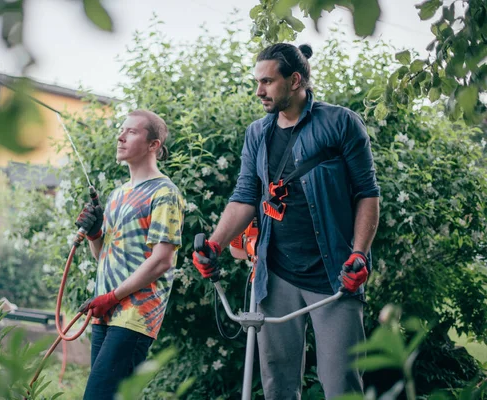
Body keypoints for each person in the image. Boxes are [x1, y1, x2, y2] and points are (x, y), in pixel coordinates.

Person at [192, 43, 380, 399]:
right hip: (274, 275)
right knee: (277, 384)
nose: (259, 91)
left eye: (267, 81)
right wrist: (215, 243)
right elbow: (245, 196)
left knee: (341, 384)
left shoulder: (340, 123)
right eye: (256, 82)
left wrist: (359, 254)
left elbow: (367, 195)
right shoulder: (257, 134)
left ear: (295, 81)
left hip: (334, 275)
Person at [76, 109, 185, 400]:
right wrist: (94, 233)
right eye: (121, 130)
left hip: (136, 315)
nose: (120, 137)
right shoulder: (118, 195)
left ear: (153, 145)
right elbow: (104, 257)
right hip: (106, 312)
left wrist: (112, 296)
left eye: (132, 132)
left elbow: (162, 260)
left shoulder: (165, 193)